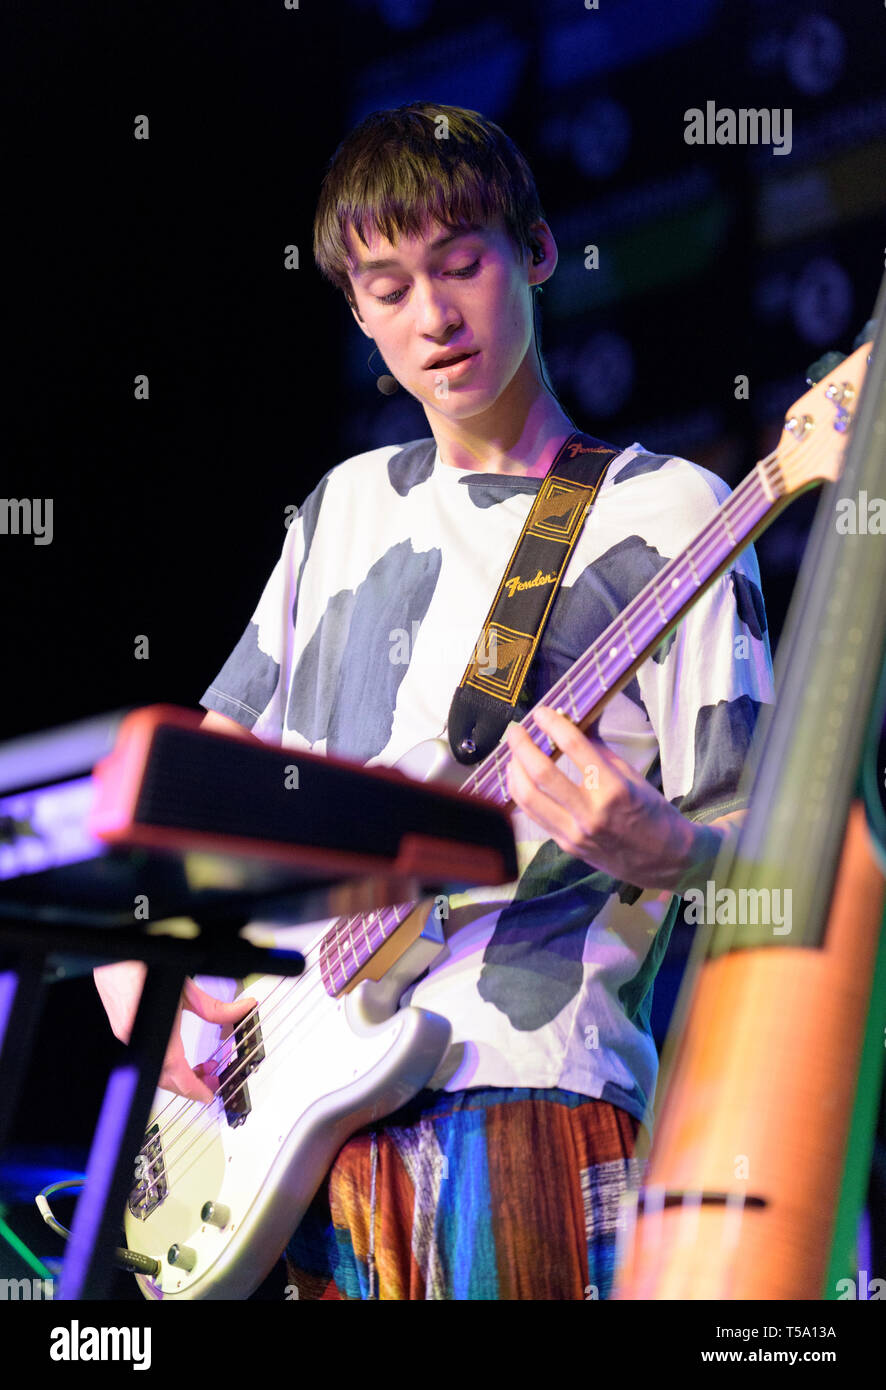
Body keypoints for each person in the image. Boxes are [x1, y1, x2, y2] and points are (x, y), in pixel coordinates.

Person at [95, 102, 775, 1299]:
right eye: (389, 285)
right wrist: (143, 936)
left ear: (539, 250)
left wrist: (661, 846)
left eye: (462, 265)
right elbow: (222, 758)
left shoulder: (673, 514)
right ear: (356, 311)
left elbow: (779, 861)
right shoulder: (343, 506)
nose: (433, 316)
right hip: (292, 1123)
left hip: (524, 1094)